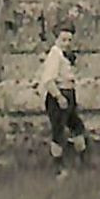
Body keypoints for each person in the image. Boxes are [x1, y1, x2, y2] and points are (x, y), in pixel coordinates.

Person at [38, 27, 87, 171]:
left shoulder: (65, 55)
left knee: (77, 126)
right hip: (58, 96)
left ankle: (83, 161)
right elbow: (48, 80)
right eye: (63, 40)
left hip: (68, 94)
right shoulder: (55, 55)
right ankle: (58, 167)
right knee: (58, 131)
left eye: (69, 40)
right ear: (56, 39)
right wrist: (59, 97)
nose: (67, 43)